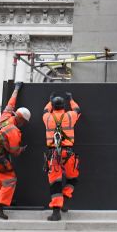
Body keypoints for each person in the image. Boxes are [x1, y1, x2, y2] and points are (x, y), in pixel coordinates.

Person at [0, 82, 30, 219]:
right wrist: (21, 149)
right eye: (24, 122)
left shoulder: (5, 117)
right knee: (10, 180)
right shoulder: (14, 131)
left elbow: (10, 104)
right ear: (20, 119)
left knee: (0, 177)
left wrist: (16, 89)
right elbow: (14, 151)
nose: (24, 124)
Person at [43, 92, 81, 221]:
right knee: (72, 179)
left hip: (54, 155)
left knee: (55, 183)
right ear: (64, 106)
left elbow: (45, 110)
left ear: (53, 106)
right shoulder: (70, 116)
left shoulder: (47, 118)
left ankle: (56, 212)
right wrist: (71, 98)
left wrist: (49, 100)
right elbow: (77, 109)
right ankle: (65, 197)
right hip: (68, 154)